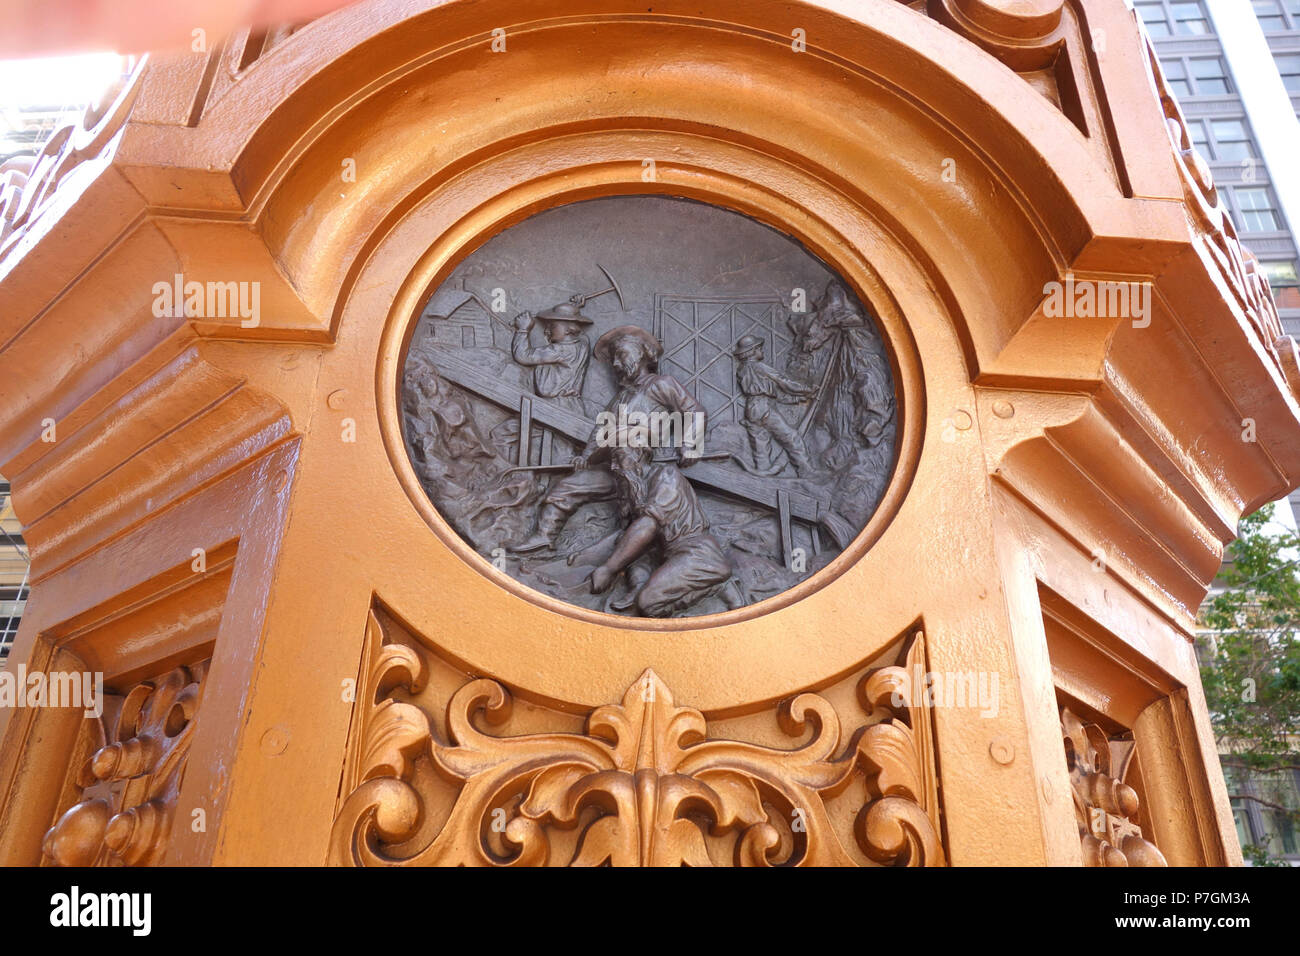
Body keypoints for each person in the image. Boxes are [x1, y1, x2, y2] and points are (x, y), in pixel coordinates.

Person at [509, 325, 705, 553]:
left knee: (642, 509)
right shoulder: (620, 398)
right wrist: (585, 457)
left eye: (621, 355)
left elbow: (694, 411)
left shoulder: (662, 384)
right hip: (615, 469)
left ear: (641, 353)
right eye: (613, 359)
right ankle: (544, 536)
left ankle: (639, 535)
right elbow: (601, 432)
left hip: (647, 469)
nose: (616, 364)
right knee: (568, 487)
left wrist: (690, 445)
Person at [589, 438, 733, 617]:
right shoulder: (636, 492)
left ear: (639, 454)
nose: (614, 467)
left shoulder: (666, 475)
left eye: (619, 457)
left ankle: (715, 586)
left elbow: (647, 526)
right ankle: (643, 590)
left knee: (649, 602)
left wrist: (609, 568)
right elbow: (633, 542)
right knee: (629, 547)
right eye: (612, 461)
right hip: (670, 557)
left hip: (696, 553)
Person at [732, 334, 816, 475]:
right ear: (752, 351)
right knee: (791, 437)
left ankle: (762, 473)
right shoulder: (759, 367)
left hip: (751, 408)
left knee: (760, 445)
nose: (762, 351)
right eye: (759, 348)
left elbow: (773, 392)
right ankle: (806, 471)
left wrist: (797, 400)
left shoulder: (742, 369)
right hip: (763, 406)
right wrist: (806, 390)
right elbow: (784, 382)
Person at [510, 302, 592, 414]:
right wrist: (574, 309)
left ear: (568, 330)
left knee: (501, 431)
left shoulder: (560, 350)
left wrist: (523, 329)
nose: (546, 331)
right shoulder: (583, 345)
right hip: (573, 407)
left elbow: (523, 356)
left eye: (552, 326)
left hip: (554, 408)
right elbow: (580, 332)